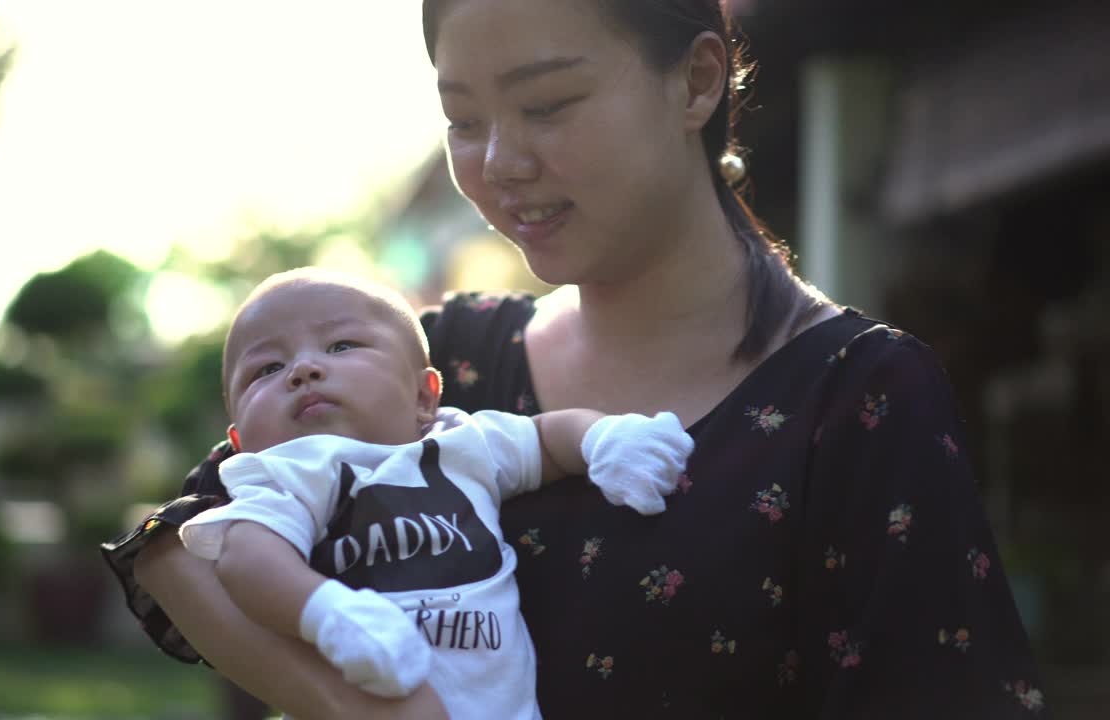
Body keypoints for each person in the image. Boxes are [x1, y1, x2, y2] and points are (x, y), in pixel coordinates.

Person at [102, 1, 1045, 717]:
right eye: (464, 120)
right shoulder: (447, 361)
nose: (500, 163)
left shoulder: (859, 399)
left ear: (697, 81)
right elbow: (173, 553)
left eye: (547, 104)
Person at [166, 267, 692, 718]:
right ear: (239, 444)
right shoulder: (287, 471)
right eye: (267, 369)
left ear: (424, 397)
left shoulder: (464, 442)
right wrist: (329, 615)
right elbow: (247, 561)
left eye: (340, 346)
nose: (304, 370)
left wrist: (606, 439)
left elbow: (549, 438)